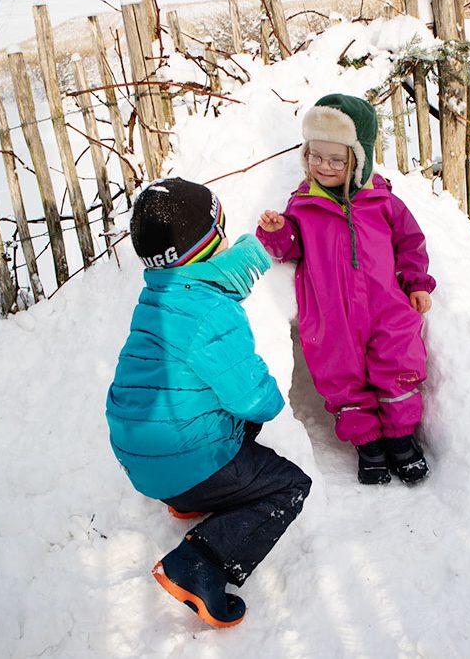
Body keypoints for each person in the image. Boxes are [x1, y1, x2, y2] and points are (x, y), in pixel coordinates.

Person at [106, 177, 311, 629]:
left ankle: (187, 498)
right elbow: (253, 398)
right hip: (181, 460)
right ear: (208, 245)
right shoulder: (212, 312)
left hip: (138, 453)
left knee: (215, 417)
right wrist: (275, 399)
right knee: (288, 486)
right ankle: (199, 564)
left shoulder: (158, 294)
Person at [256, 93, 436, 486]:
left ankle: (401, 439)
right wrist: (276, 233)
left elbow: (410, 243)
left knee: (398, 364)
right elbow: (293, 248)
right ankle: (368, 444)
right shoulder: (303, 204)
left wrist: (417, 283)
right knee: (341, 375)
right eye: (315, 156)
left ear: (359, 160)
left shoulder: (382, 200)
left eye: (336, 160)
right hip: (331, 313)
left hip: (386, 305)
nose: (323, 166)